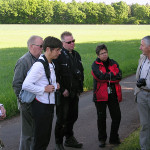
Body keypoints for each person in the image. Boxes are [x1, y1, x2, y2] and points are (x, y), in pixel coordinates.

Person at [22, 36, 62, 150]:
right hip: (40, 106)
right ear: (48, 49)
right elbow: (26, 85)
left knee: (45, 139)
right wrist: (43, 89)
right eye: (57, 50)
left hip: (48, 106)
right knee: (40, 140)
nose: (59, 53)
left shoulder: (50, 63)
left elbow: (47, 83)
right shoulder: (39, 65)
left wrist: (55, 86)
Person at [53, 31, 84, 150]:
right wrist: (62, 90)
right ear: (62, 43)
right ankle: (58, 142)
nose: (72, 44)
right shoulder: (58, 56)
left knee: (73, 116)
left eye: (73, 41)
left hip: (74, 92)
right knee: (62, 118)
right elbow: (55, 75)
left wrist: (80, 88)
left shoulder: (76, 54)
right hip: (64, 94)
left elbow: (80, 72)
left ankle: (69, 139)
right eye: (69, 42)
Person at [12, 35, 43, 150]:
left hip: (38, 102)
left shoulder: (41, 59)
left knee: (37, 133)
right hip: (27, 104)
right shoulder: (23, 61)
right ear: (31, 46)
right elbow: (16, 84)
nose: (42, 48)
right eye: (40, 46)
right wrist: (24, 102)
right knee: (27, 135)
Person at [91, 44, 122, 148]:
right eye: (102, 53)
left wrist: (108, 76)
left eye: (105, 52)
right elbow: (99, 77)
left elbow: (119, 76)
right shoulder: (95, 65)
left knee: (117, 116)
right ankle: (102, 139)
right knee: (101, 118)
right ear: (98, 55)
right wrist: (111, 75)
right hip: (100, 95)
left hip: (113, 93)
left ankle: (114, 137)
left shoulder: (113, 62)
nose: (104, 55)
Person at [135, 36, 150, 150]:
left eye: (142, 45)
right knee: (145, 124)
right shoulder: (142, 58)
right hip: (142, 94)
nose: (140, 48)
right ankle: (144, 147)